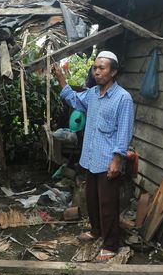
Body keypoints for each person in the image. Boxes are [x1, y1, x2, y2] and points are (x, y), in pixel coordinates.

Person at [52, 50, 134, 262]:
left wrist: (117, 160)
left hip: (108, 160)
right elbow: (73, 99)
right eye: (95, 68)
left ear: (113, 71)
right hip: (90, 158)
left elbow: (124, 132)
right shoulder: (92, 94)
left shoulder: (122, 98)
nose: (97, 72)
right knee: (92, 200)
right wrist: (61, 79)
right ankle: (97, 230)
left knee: (108, 204)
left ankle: (110, 243)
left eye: (102, 68)